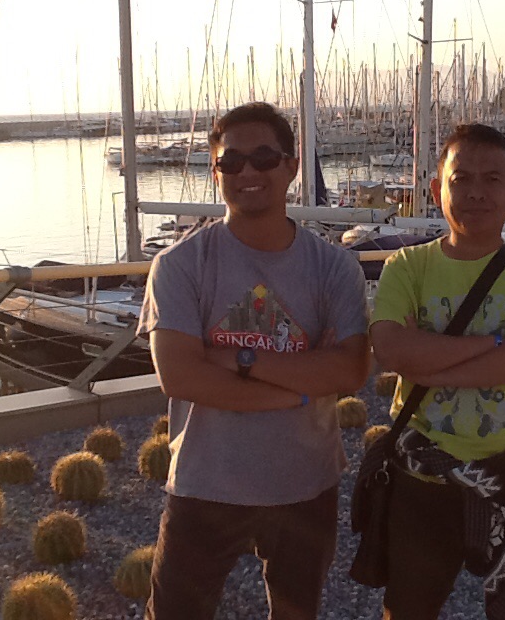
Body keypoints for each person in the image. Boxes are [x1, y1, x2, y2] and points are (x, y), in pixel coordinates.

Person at [138, 102, 369, 620]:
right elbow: (179, 375)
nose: (248, 173)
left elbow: (350, 370)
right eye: (231, 162)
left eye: (264, 158)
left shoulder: (333, 269)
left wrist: (236, 358)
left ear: (291, 166)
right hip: (204, 483)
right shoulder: (178, 265)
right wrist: (302, 384)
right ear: (215, 171)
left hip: (305, 483)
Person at [368, 124, 505, 620]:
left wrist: (432, 363)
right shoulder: (406, 267)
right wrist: (495, 344)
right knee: (409, 608)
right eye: (461, 180)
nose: (476, 192)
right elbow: (392, 348)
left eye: (492, 178)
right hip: (424, 480)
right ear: (437, 190)